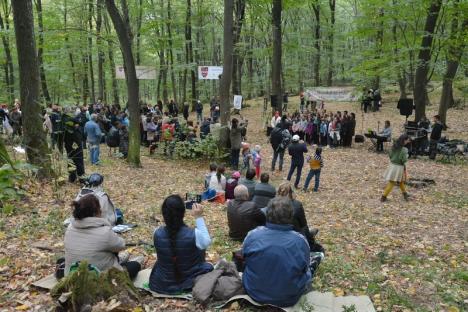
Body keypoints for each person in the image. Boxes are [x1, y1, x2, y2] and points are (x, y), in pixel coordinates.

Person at [242, 197, 314, 307]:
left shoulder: (252, 235)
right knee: (309, 272)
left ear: (268, 213)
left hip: (254, 292)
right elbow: (305, 267)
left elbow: (244, 258)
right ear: (290, 215)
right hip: (288, 297)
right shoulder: (300, 240)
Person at [64, 194, 141, 279]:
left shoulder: (70, 228)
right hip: (101, 279)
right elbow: (121, 245)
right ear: (95, 211)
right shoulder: (104, 232)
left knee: (62, 260)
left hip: (72, 276)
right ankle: (121, 261)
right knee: (135, 265)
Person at [149, 195, 213, 294]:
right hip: (189, 281)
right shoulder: (194, 234)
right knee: (208, 266)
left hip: (161, 283)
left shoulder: (157, 233)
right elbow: (206, 242)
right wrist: (198, 217)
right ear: (183, 213)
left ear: (164, 214)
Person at [381, 134, 411, 202]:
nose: (408, 142)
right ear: (404, 140)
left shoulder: (394, 146)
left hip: (392, 165)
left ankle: (405, 194)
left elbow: (390, 155)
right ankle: (383, 197)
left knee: (400, 181)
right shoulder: (404, 150)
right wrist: (407, 155)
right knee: (392, 182)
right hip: (398, 167)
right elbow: (404, 160)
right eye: (407, 140)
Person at [63, 107, 85, 183]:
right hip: (73, 144)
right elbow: (81, 123)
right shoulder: (68, 122)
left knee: (71, 160)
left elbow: (81, 123)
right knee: (77, 160)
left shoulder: (65, 121)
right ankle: (80, 178)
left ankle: (73, 178)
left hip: (70, 144)